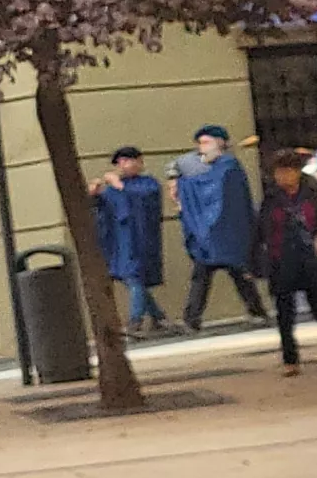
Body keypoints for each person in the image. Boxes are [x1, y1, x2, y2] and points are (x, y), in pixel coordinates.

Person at [252, 152, 317, 373]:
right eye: (278, 172)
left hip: (310, 260)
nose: (282, 176)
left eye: (287, 171)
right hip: (281, 261)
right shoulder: (270, 199)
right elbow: (260, 231)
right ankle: (290, 359)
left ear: (297, 172)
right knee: (284, 314)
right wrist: (257, 262)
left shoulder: (312, 195)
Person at [173, 127, 266, 329]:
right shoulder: (209, 169)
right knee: (203, 278)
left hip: (226, 234)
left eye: (206, 143)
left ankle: (257, 311)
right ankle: (192, 319)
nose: (202, 148)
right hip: (209, 236)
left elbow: (217, 194)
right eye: (200, 144)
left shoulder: (229, 167)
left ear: (220, 143)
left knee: (238, 275)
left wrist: (184, 185)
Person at [91, 147, 170, 334]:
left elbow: (144, 202)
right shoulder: (112, 190)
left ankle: (136, 320)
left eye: (127, 161)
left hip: (141, 240)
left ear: (139, 162)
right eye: (120, 163)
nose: (123, 166)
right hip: (121, 242)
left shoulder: (148, 184)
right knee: (131, 280)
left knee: (135, 278)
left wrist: (120, 186)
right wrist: (94, 195)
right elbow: (102, 209)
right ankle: (159, 317)